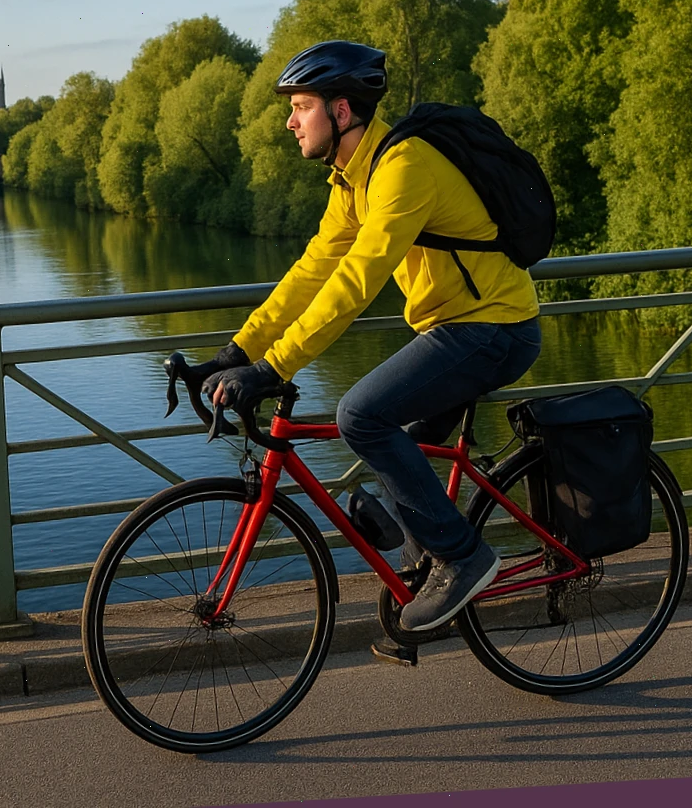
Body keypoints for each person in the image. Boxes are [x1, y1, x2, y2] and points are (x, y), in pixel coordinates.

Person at [192, 40, 542, 631]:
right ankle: (421, 566)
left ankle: (463, 559)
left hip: (495, 327)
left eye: (301, 106)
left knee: (360, 415)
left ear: (343, 111)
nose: (289, 119)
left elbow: (356, 282)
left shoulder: (404, 168)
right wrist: (239, 350)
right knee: (396, 445)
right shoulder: (353, 178)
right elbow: (313, 271)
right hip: (453, 327)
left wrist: (274, 369)